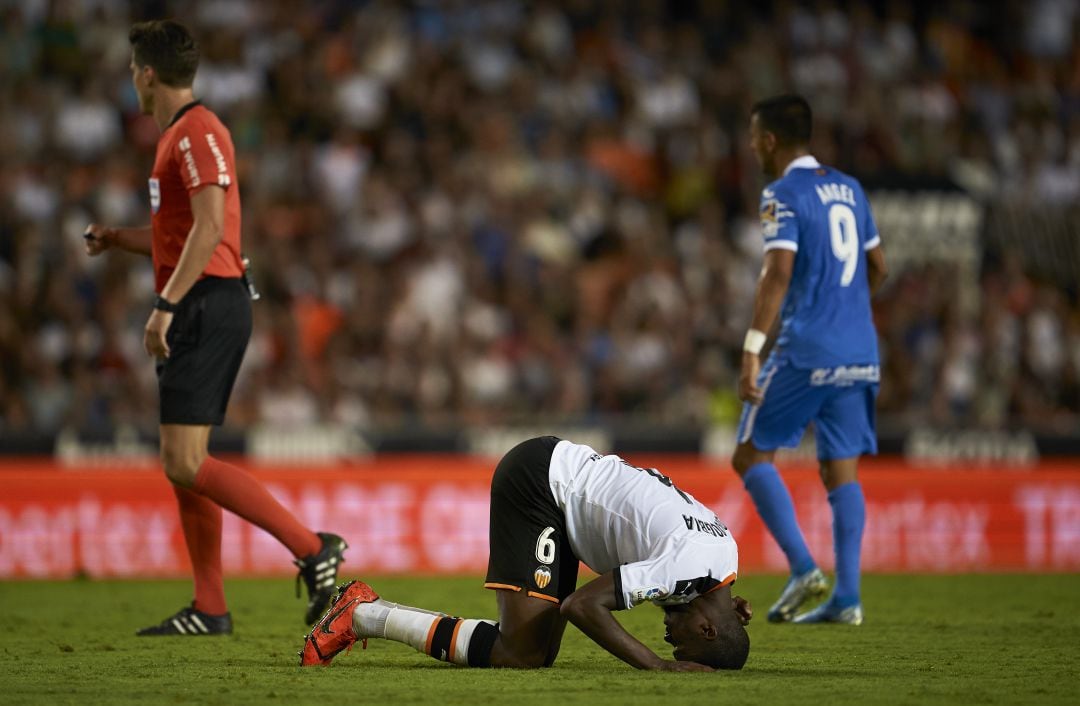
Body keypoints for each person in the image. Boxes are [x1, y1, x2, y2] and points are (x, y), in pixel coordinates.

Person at [83, 19, 347, 635]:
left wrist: (166, 305)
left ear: (148, 74)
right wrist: (118, 239)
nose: (131, 82)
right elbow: (182, 234)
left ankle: (312, 546)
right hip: (201, 297)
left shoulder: (197, 131)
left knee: (183, 459)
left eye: (132, 72)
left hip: (206, 303)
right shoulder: (179, 135)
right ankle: (210, 606)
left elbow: (208, 231)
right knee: (184, 458)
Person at [300, 436, 752, 671]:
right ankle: (364, 614)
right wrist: (654, 666)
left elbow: (693, 575)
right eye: (683, 646)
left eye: (671, 650)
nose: (670, 641)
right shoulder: (685, 568)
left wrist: (727, 608)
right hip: (541, 486)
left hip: (566, 487)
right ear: (708, 629)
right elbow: (582, 606)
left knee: (533, 654)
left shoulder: (725, 556)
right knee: (518, 653)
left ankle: (365, 613)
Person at [732, 94, 888, 625]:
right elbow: (879, 266)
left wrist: (752, 350)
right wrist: (847, 309)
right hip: (860, 348)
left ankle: (802, 568)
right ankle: (847, 597)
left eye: (754, 137)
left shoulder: (781, 193)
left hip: (807, 348)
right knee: (840, 468)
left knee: (751, 456)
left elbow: (777, 273)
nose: (752, 146)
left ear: (770, 140)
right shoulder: (851, 187)